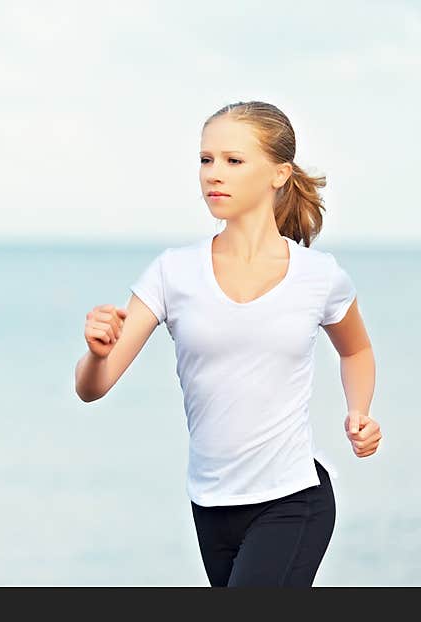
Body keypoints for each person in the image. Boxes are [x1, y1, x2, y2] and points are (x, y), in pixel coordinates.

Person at [74, 101, 382, 587]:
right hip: (211, 507)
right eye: (205, 160)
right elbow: (93, 387)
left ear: (279, 173)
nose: (213, 174)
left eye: (233, 161)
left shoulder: (319, 277)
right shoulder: (172, 273)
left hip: (292, 499)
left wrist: (359, 410)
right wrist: (96, 352)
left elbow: (356, 350)